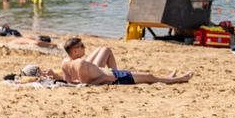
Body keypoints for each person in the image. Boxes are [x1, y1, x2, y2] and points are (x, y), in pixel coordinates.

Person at [49, 37, 191, 86]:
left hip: (111, 74)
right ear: (74, 51)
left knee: (148, 77)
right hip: (115, 78)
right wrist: (106, 77)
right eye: (81, 46)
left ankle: (167, 79)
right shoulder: (80, 63)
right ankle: (178, 79)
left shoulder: (65, 62)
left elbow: (70, 83)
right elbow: (86, 84)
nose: (85, 47)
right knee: (149, 77)